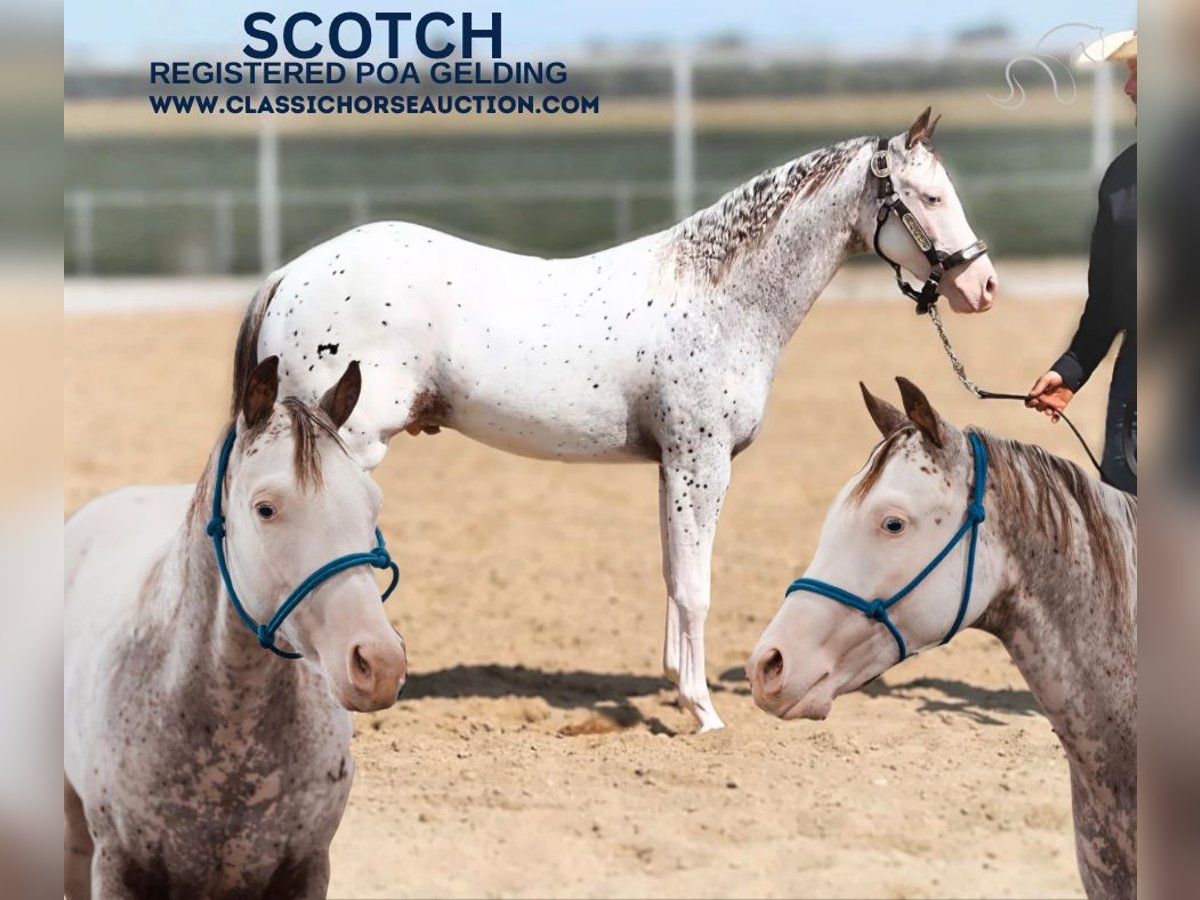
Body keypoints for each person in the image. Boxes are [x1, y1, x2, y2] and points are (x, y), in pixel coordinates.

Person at [1026, 30, 1137, 494]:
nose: (1129, 89)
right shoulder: (1122, 179)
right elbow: (1109, 301)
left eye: (1140, 75)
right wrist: (1072, 369)